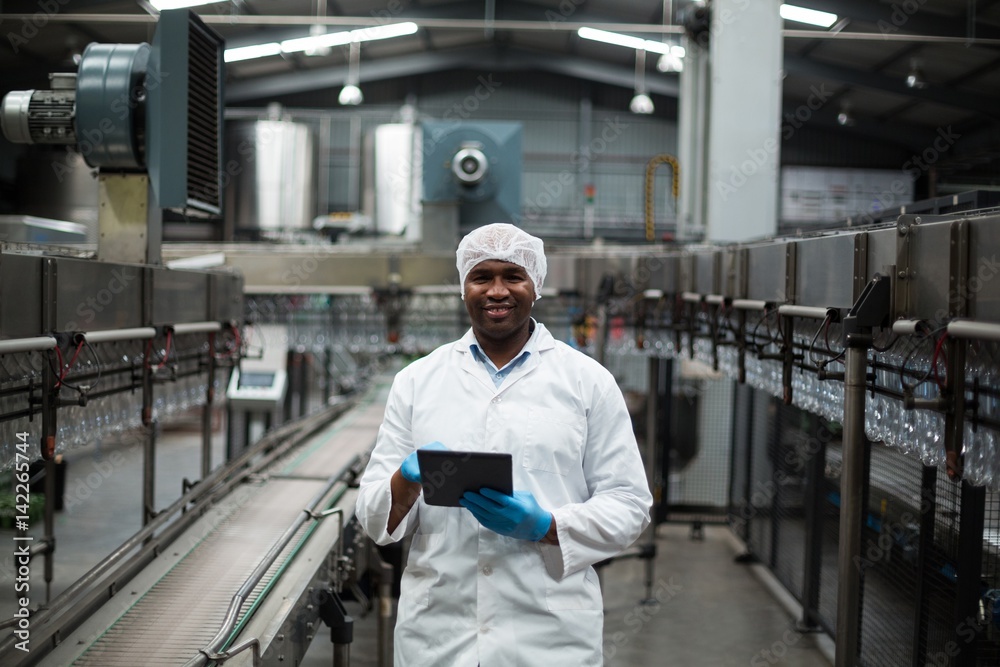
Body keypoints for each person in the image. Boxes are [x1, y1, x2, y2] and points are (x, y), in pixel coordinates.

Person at [355, 222, 652, 666]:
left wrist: (547, 526)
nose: (497, 291)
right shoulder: (417, 381)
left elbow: (630, 504)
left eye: (513, 276)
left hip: (548, 637)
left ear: (536, 286)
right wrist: (405, 479)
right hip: (439, 634)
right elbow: (373, 514)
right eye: (481, 277)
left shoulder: (588, 382)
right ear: (463, 287)